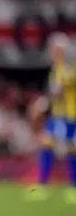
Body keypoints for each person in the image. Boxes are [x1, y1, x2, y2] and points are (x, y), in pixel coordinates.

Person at [27, 33, 76, 202]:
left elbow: (58, 92)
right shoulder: (58, 69)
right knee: (49, 145)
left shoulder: (66, 69)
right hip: (59, 116)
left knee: (69, 149)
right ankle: (43, 186)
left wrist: (41, 104)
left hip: (68, 116)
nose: (50, 51)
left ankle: (70, 188)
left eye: (53, 48)